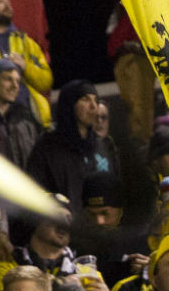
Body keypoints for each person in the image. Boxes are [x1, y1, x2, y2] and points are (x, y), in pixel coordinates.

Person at [27, 80, 119, 210]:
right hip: (65, 226)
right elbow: (34, 191)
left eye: (95, 100)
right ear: (70, 104)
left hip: (100, 227)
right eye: (85, 99)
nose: (93, 106)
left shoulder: (103, 146)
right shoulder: (47, 147)